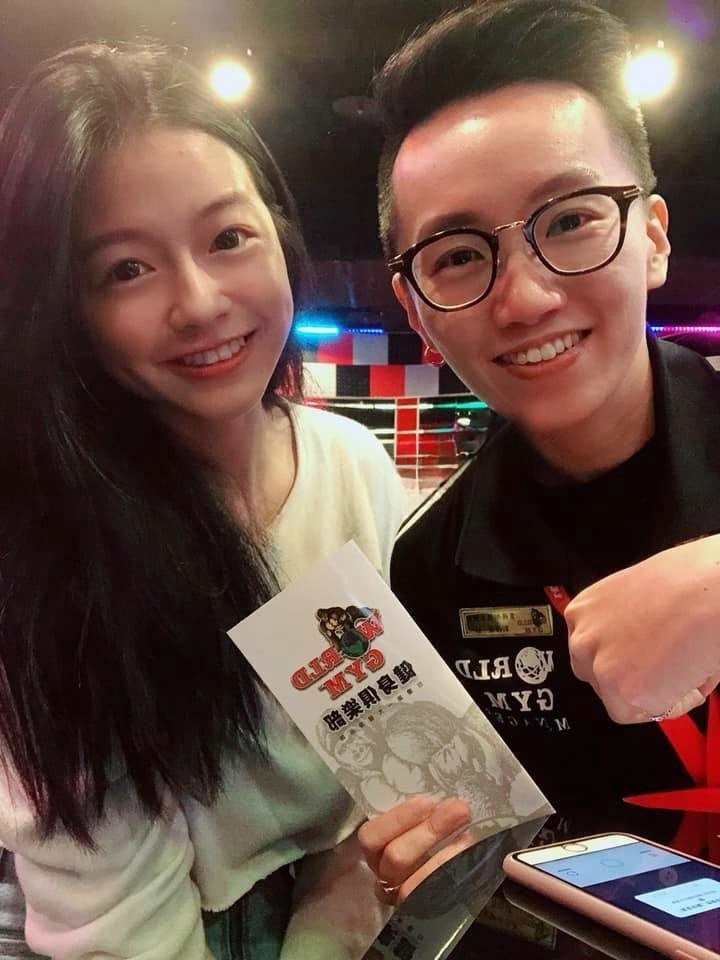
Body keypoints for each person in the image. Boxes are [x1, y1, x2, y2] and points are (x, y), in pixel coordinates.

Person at [0, 41, 411, 960]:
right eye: (126, 270)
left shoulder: (352, 463)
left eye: (228, 238)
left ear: (279, 234)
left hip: (362, 887)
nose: (198, 302)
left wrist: (367, 874)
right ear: (61, 308)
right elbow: (120, 931)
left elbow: (392, 727)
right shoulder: (48, 561)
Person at [357, 0, 720, 897]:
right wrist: (441, 873)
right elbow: (495, 854)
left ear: (653, 237)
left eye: (568, 220)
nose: (524, 300)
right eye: (457, 255)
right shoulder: (431, 564)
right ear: (415, 312)